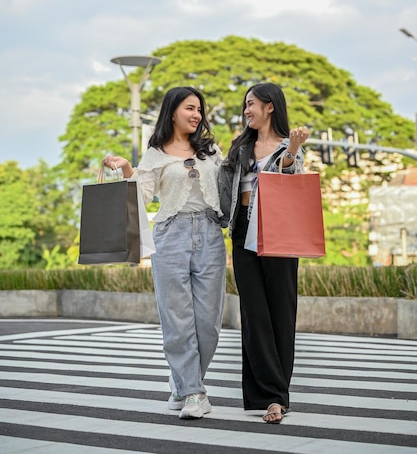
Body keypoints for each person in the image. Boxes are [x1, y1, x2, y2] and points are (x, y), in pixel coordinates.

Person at [103, 86, 226, 420]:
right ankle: (193, 392)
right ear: (173, 111)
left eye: (200, 109)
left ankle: (182, 381)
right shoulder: (155, 153)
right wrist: (128, 170)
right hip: (171, 234)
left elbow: (228, 184)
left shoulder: (211, 150)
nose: (196, 115)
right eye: (190, 108)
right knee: (176, 319)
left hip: (211, 234)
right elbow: (142, 197)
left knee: (209, 322)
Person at [218, 82, 309, 424]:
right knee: (254, 314)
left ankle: (276, 397)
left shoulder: (291, 146)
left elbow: (291, 179)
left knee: (281, 312)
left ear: (270, 106)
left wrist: (291, 153)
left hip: (278, 230)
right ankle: (266, 395)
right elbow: (224, 187)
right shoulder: (240, 146)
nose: (246, 110)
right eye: (245, 105)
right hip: (243, 230)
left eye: (251, 104)